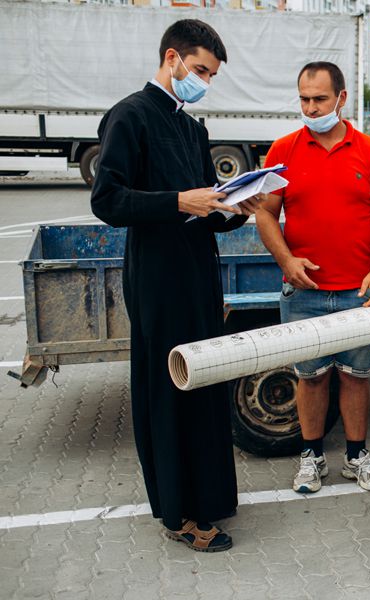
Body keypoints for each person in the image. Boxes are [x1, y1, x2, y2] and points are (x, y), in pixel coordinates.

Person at [91, 19, 259, 552]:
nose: (204, 80)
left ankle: (209, 499)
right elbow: (107, 201)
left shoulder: (192, 128)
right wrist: (176, 202)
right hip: (159, 279)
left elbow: (205, 210)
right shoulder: (130, 116)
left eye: (211, 74)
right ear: (173, 59)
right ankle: (178, 513)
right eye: (201, 70)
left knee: (205, 387)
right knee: (169, 390)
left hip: (197, 275)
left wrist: (237, 208)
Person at [256, 61, 370, 494]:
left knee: (357, 376)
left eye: (319, 99)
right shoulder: (283, 150)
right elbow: (265, 213)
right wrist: (287, 261)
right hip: (305, 291)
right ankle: (311, 456)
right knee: (311, 376)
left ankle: (356, 457)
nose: (311, 107)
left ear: (342, 98)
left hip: (358, 290)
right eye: (304, 99)